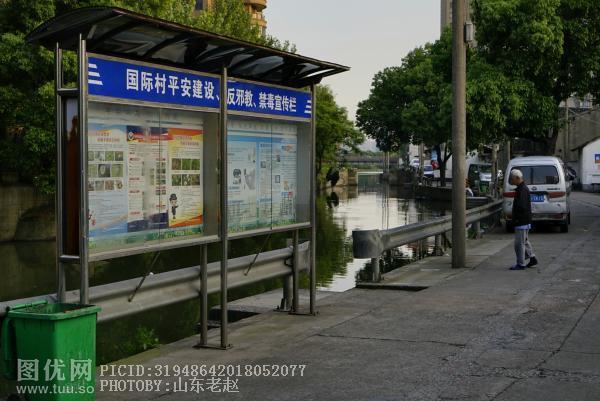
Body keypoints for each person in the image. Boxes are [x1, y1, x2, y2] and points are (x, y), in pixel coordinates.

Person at [509, 169, 538, 270]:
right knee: (524, 241)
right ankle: (532, 258)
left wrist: (516, 219)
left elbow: (521, 206)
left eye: (512, 179)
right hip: (524, 220)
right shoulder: (522, 188)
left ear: (517, 178)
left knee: (519, 243)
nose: (511, 181)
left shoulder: (522, 190)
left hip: (521, 221)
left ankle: (521, 264)